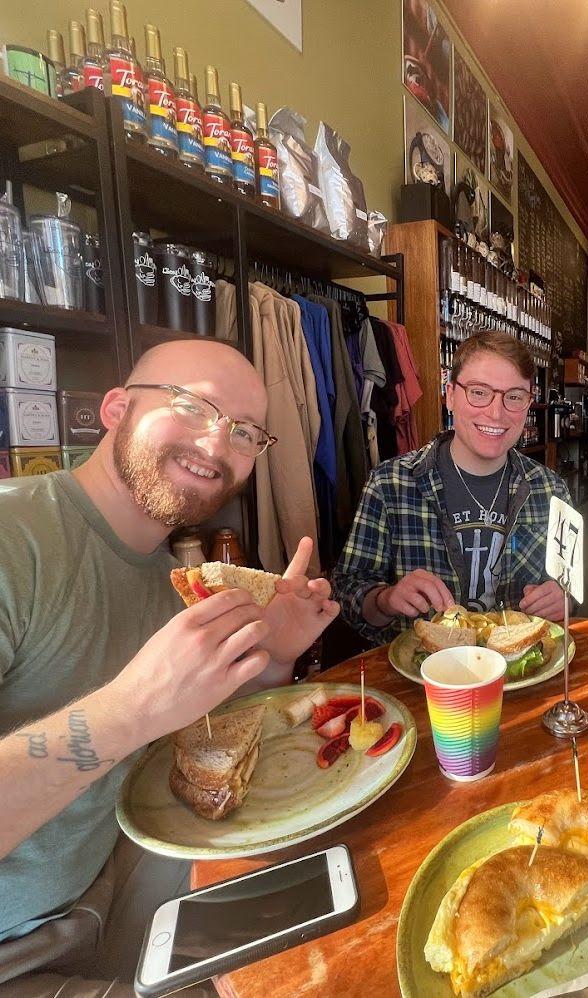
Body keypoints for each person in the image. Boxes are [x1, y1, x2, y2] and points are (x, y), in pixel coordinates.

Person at [0, 340, 339, 995]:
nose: (216, 445)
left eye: (243, 432)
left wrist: (275, 658)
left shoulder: (172, 583)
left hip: (125, 874)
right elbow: (138, 717)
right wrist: (128, 711)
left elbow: (199, 752)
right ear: (116, 408)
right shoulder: (15, 536)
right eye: (192, 406)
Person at [334, 332, 572, 642]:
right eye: (478, 392)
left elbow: (569, 588)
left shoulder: (551, 490)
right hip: (420, 678)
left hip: (518, 675)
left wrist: (562, 598)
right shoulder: (390, 484)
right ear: (450, 394)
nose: (496, 413)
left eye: (514, 396)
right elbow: (347, 593)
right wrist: (386, 598)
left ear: (529, 403)